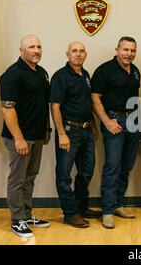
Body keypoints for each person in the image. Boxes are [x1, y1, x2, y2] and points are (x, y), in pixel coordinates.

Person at [0, 34, 51, 238]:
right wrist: (19, 139)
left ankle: (27, 215)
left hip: (37, 136)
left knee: (30, 178)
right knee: (18, 180)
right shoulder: (12, 74)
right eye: (31, 46)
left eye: (39, 46)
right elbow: (7, 108)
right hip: (19, 138)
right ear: (21, 50)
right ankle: (17, 220)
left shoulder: (42, 73)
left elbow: (42, 105)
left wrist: (46, 129)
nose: (36, 50)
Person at [50, 41, 101, 229]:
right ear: (67, 54)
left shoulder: (85, 75)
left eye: (81, 51)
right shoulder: (60, 77)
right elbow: (54, 106)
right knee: (64, 175)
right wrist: (62, 133)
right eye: (74, 51)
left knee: (86, 172)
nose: (78, 54)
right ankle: (70, 214)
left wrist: (93, 126)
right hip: (69, 131)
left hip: (87, 130)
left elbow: (87, 102)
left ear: (85, 54)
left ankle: (81, 207)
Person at [91, 37, 141, 229]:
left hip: (133, 121)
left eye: (133, 50)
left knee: (127, 164)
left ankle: (119, 203)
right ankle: (108, 210)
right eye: (125, 49)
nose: (129, 53)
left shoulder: (135, 71)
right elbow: (95, 98)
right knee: (112, 166)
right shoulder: (105, 70)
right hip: (114, 120)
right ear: (117, 49)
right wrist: (106, 121)